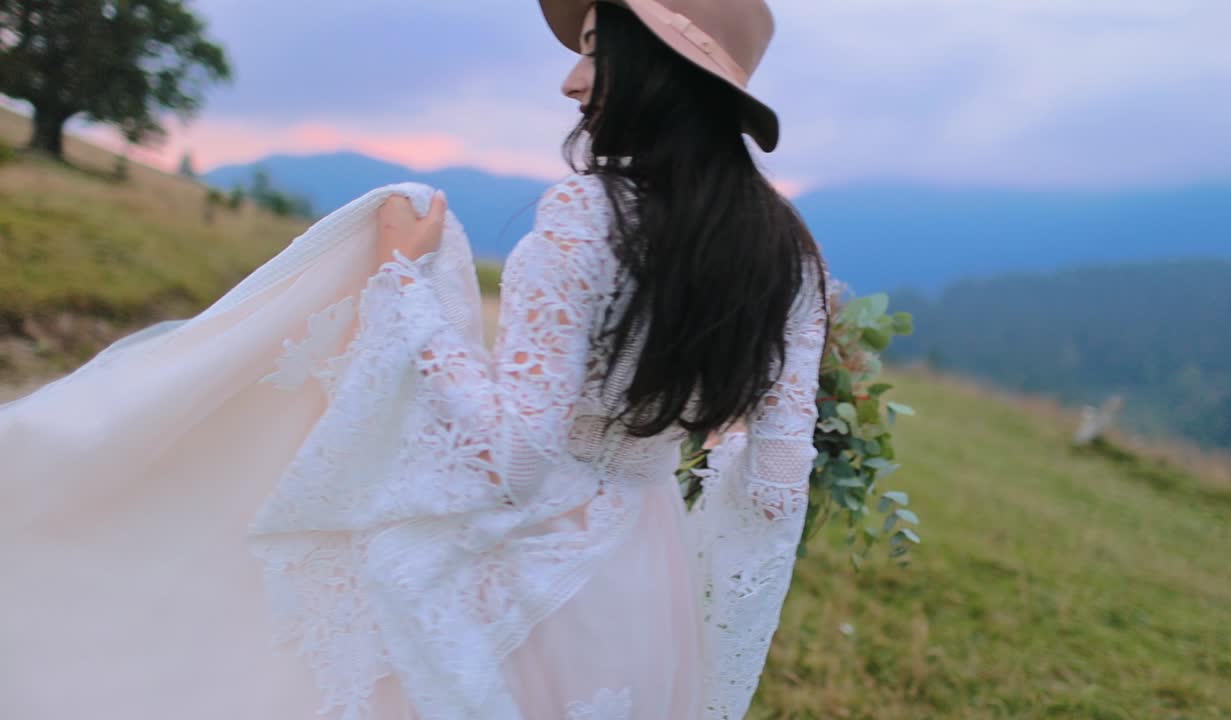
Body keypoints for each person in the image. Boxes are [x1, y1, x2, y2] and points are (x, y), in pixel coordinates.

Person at [0, 1, 830, 718]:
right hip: (651, 578)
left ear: (655, 69)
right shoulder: (790, 253)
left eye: (591, 51)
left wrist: (405, 288)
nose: (572, 82)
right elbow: (775, 485)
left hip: (539, 571)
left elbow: (517, 457)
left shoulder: (587, 214)